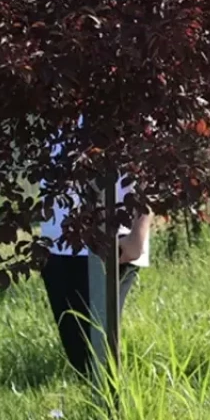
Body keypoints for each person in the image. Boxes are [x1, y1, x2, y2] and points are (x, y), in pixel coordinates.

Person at [40, 145, 152, 378]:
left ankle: (114, 410)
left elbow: (153, 163)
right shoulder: (49, 110)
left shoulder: (125, 109)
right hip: (57, 242)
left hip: (114, 240)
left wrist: (138, 233)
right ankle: (94, 408)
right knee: (78, 350)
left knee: (101, 346)